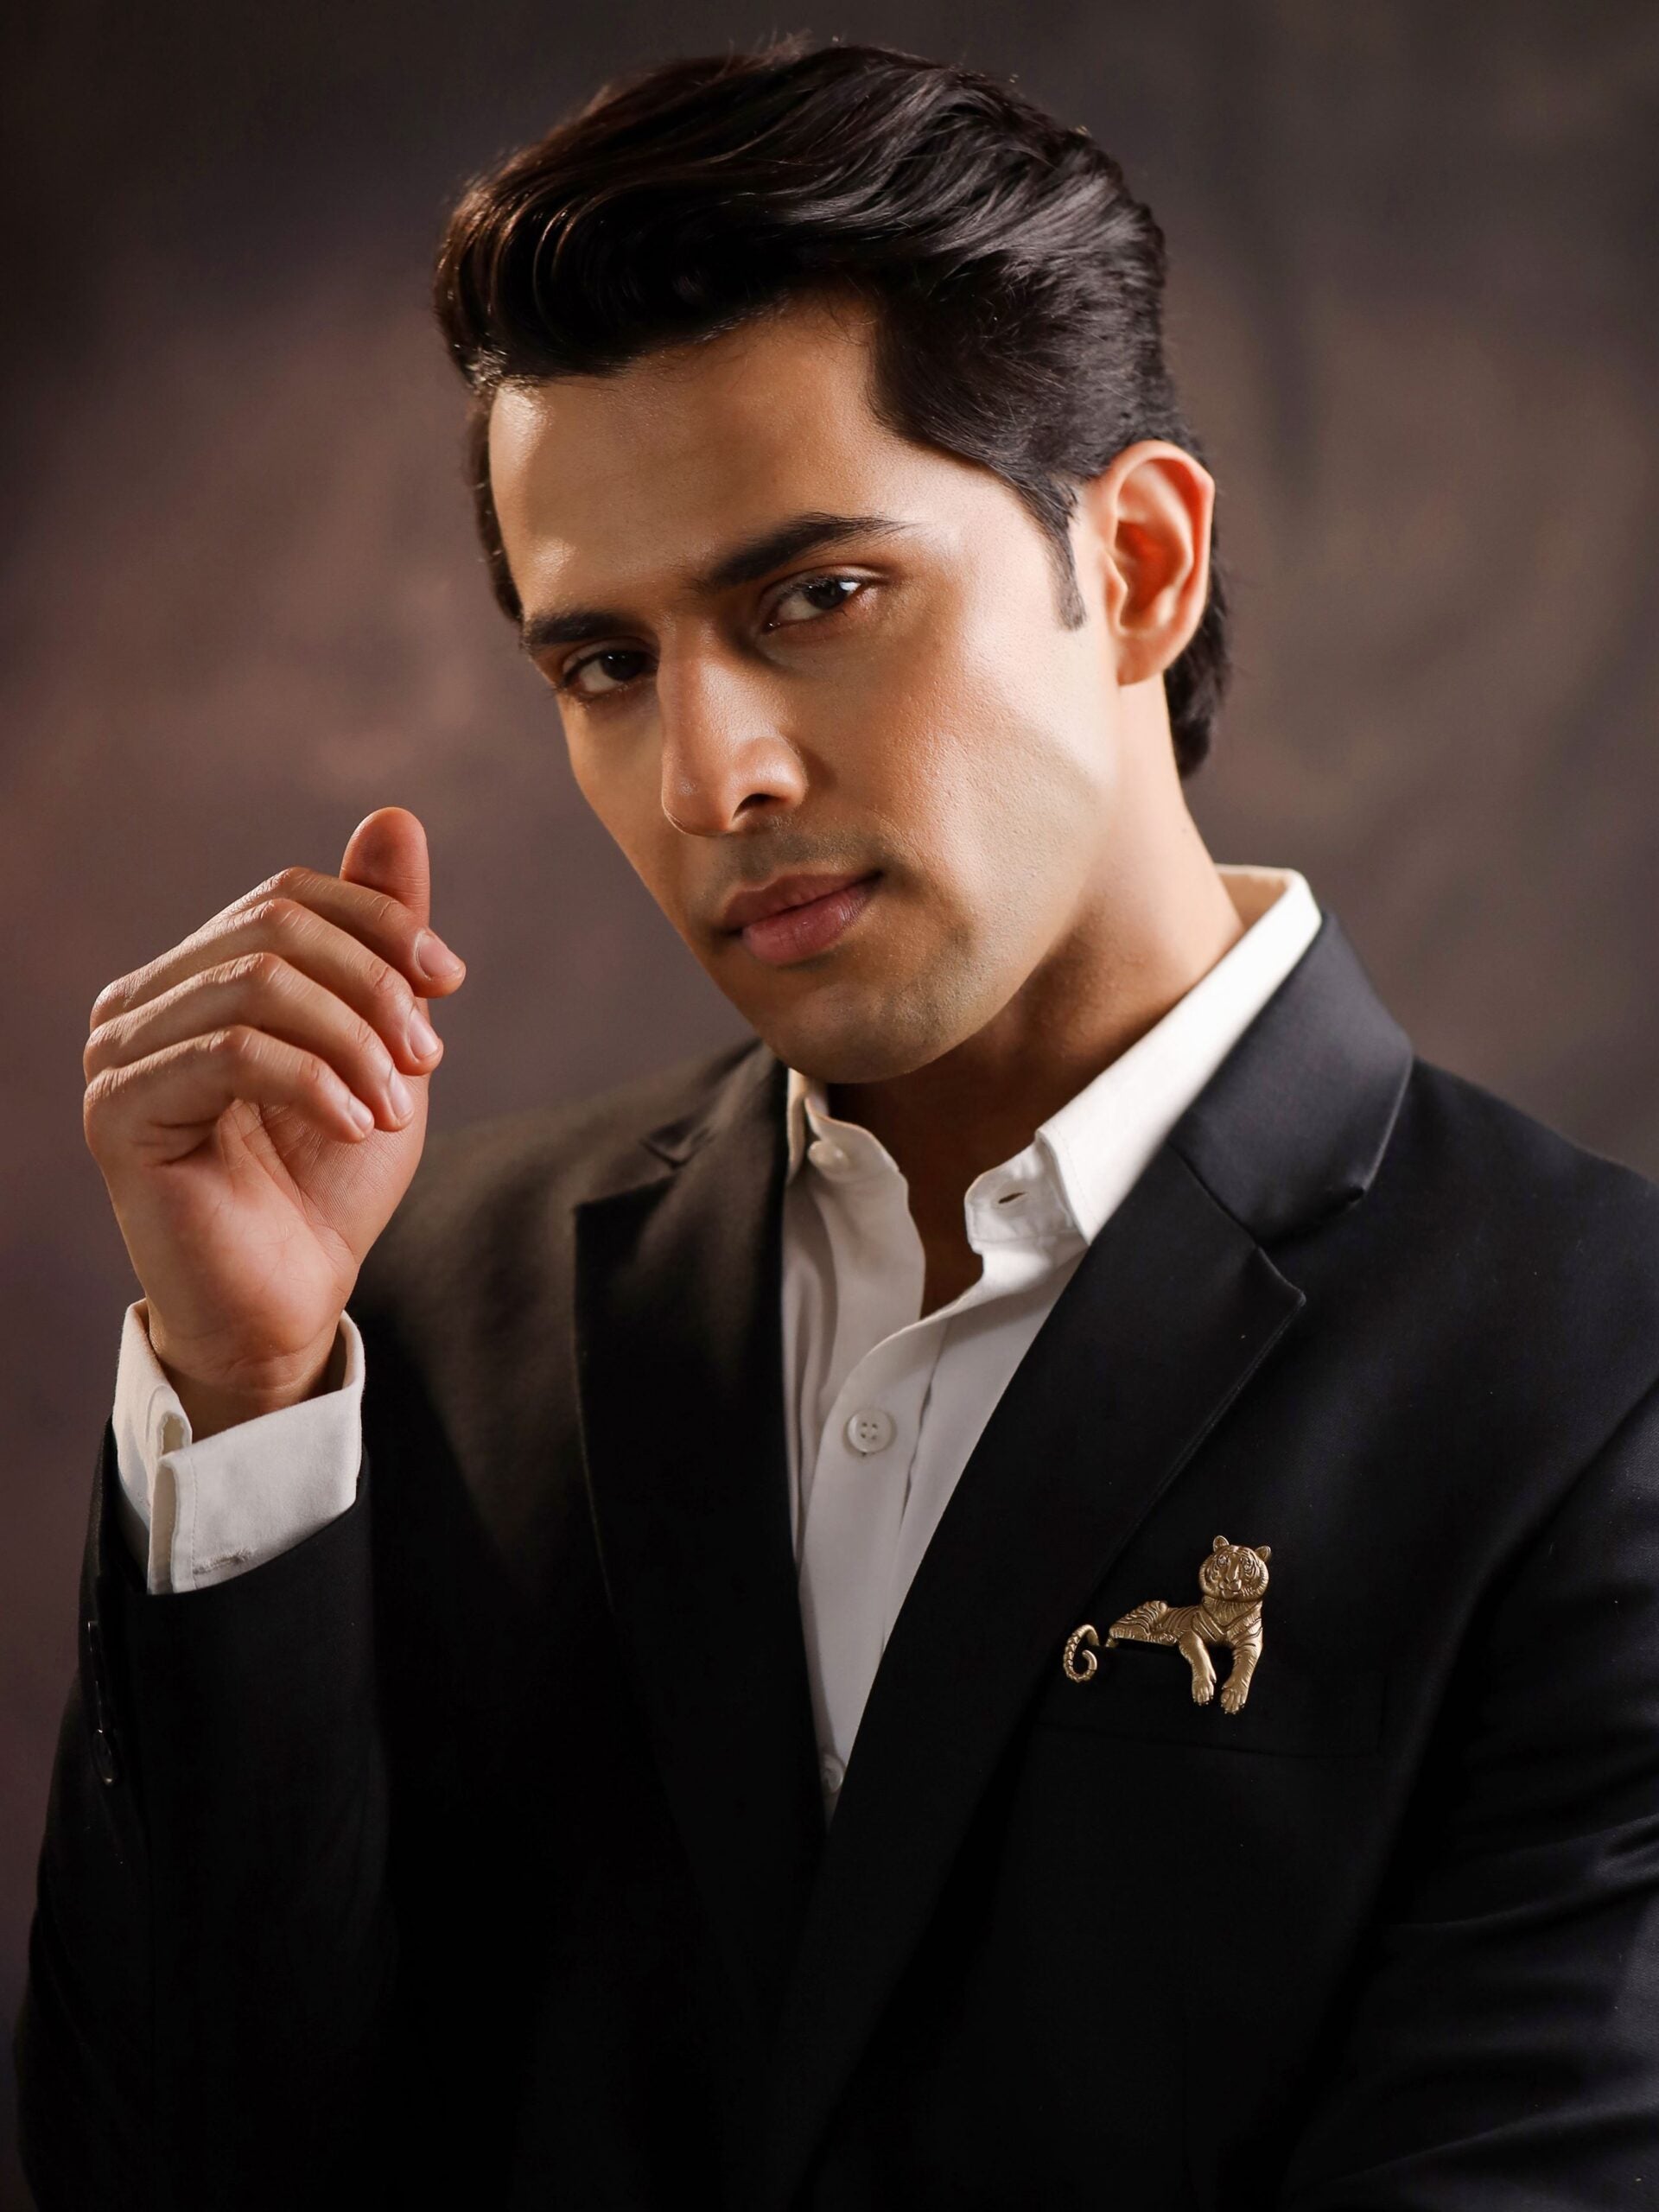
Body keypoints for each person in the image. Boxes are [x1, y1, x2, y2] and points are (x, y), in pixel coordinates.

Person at [17, 35, 1659, 2211]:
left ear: (1139, 563)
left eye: (816, 596)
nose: (712, 775)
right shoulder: (397, 1329)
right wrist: (242, 1402)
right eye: (604, 664)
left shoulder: (1599, 1374)